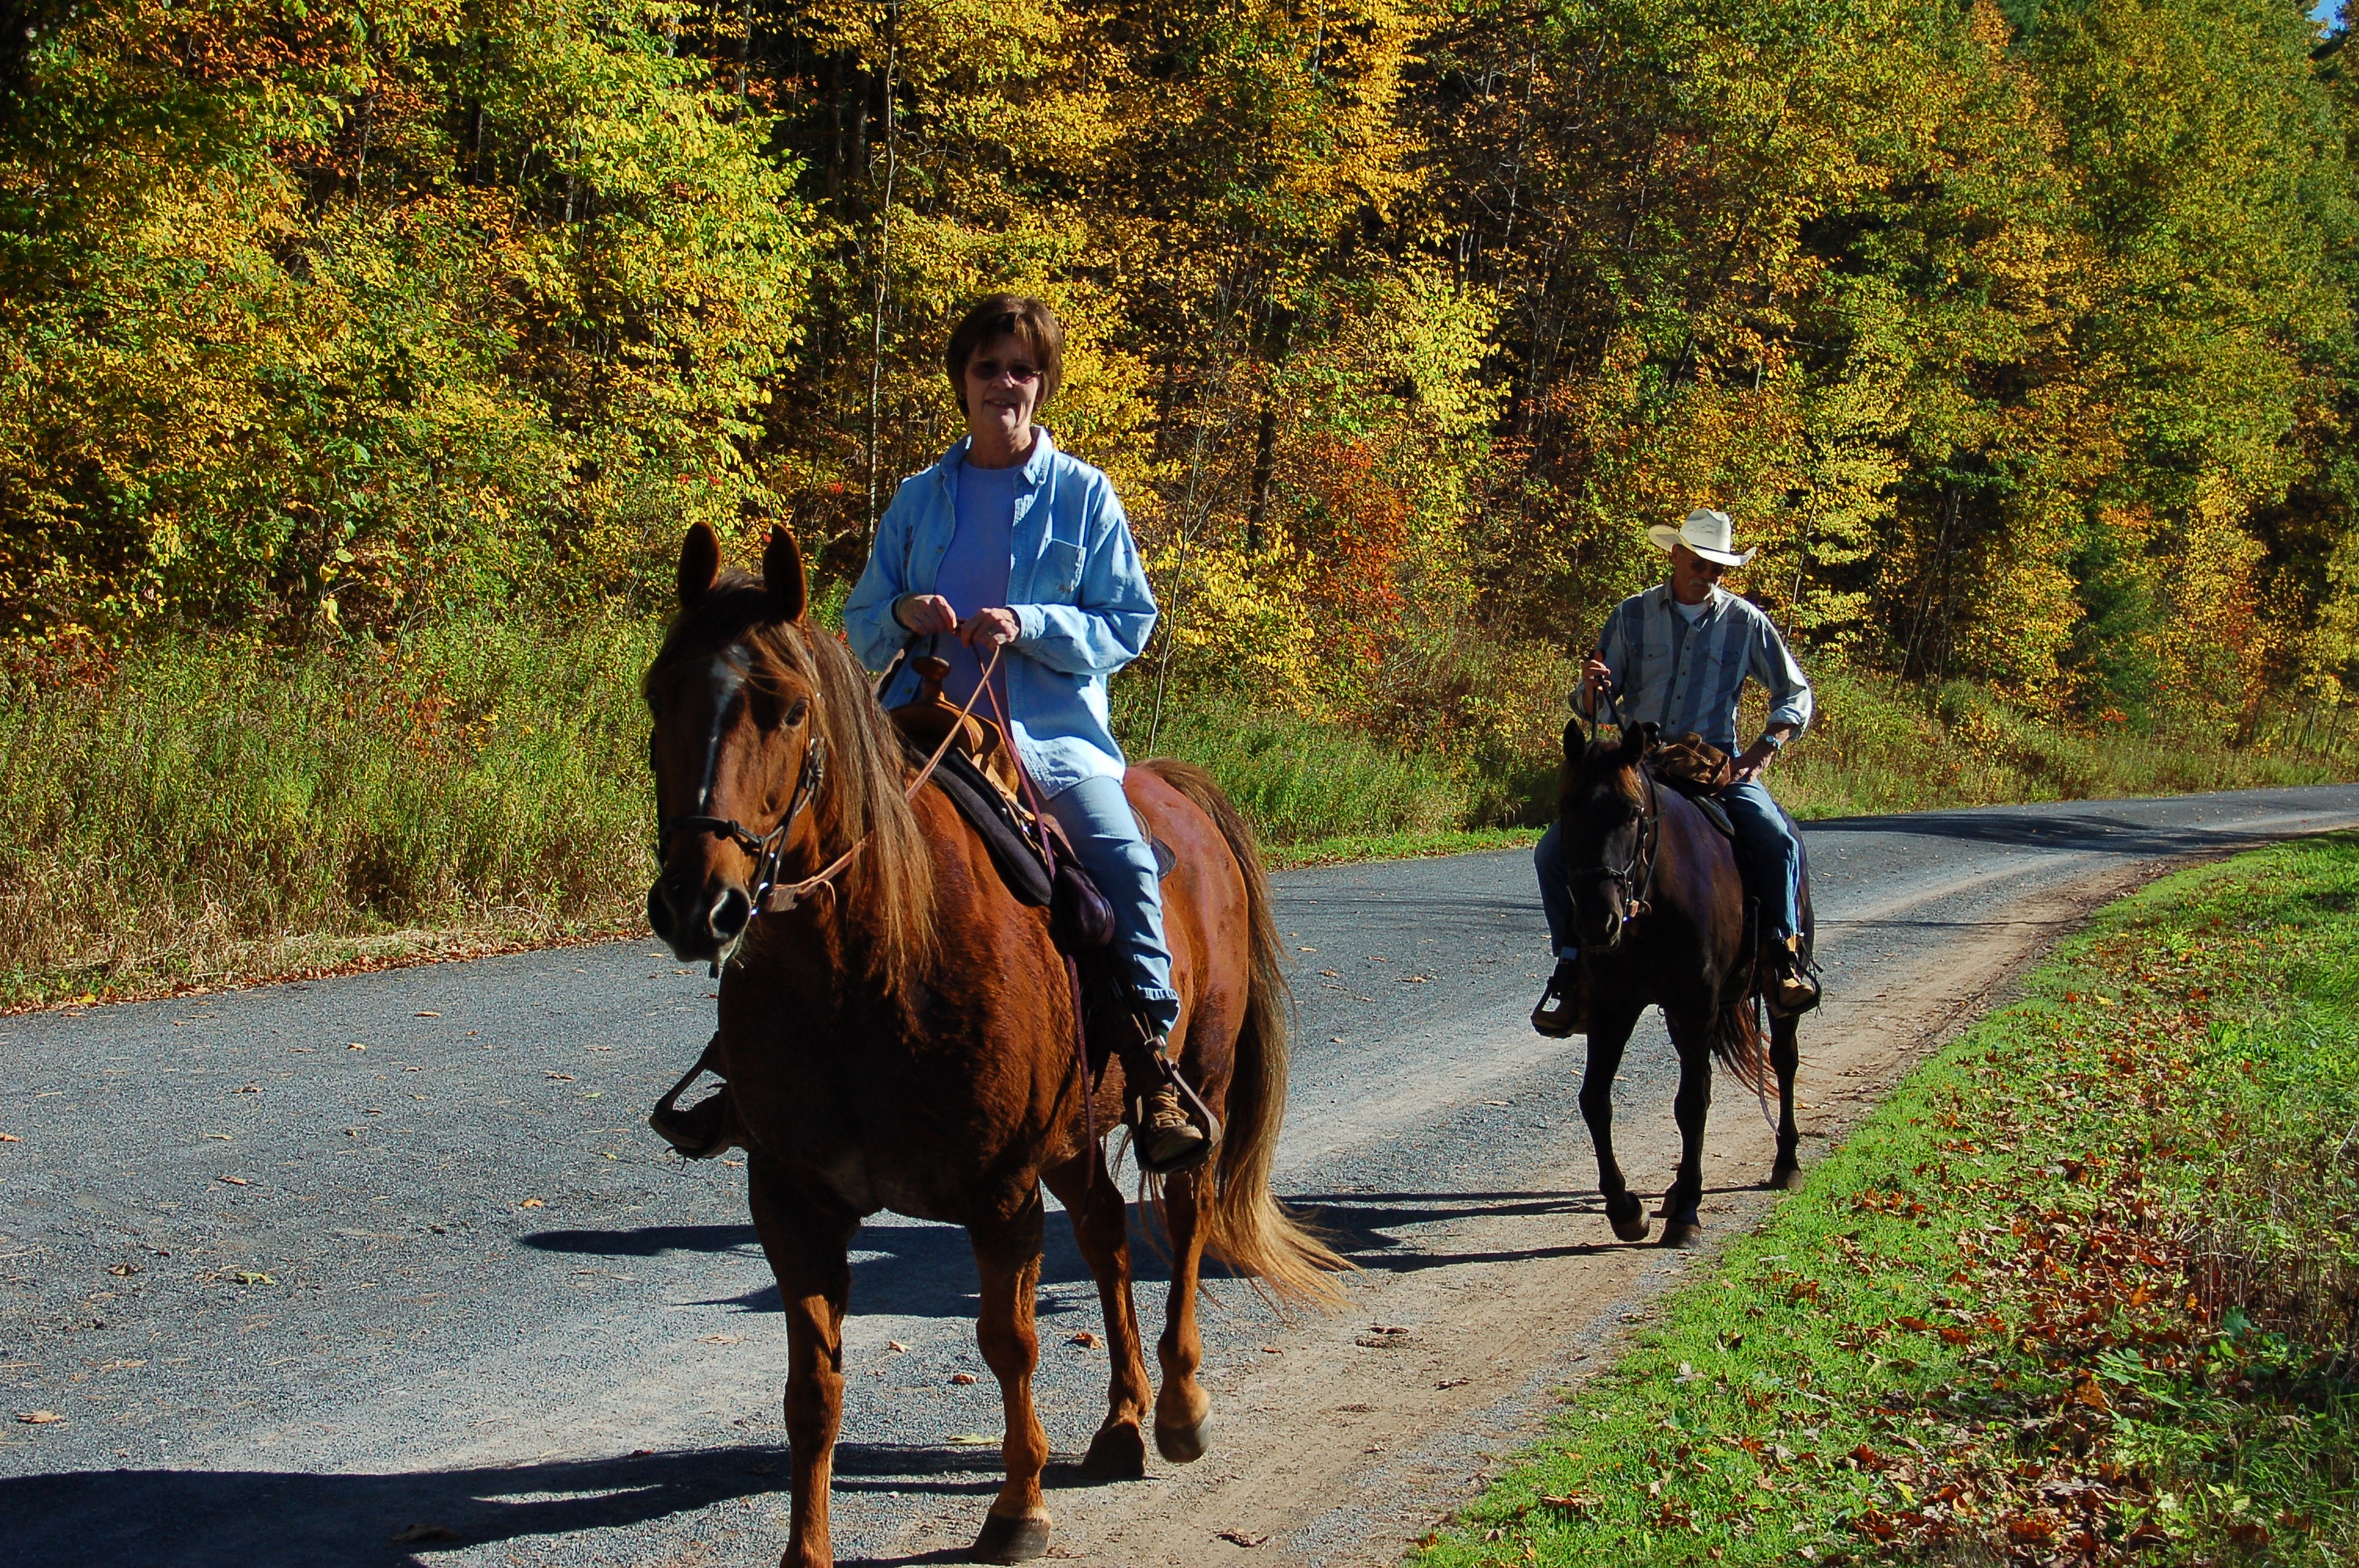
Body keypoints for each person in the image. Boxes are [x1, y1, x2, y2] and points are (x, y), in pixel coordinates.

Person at [841, 293, 1209, 1174]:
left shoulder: (1085, 494)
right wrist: (903, 609)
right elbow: (860, 620)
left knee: (1120, 859)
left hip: (1048, 744)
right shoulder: (918, 498)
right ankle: (762, 1064)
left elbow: (1129, 621)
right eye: (987, 367)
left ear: (1042, 385)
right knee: (813, 851)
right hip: (920, 730)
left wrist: (1031, 623)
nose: (1003, 383)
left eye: (1021, 369)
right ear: (961, 382)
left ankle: (1151, 1062)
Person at [1531, 507, 1819, 1036]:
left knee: (1776, 837)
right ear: (1677, 556)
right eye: (1700, 563)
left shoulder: (1746, 622)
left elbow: (1794, 694)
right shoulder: (1631, 615)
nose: (1708, 575)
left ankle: (1782, 956)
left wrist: (1762, 751)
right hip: (1639, 767)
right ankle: (1572, 967)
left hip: (1713, 767)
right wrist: (1591, 689)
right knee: (1551, 853)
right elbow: (1597, 707)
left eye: (1718, 568)